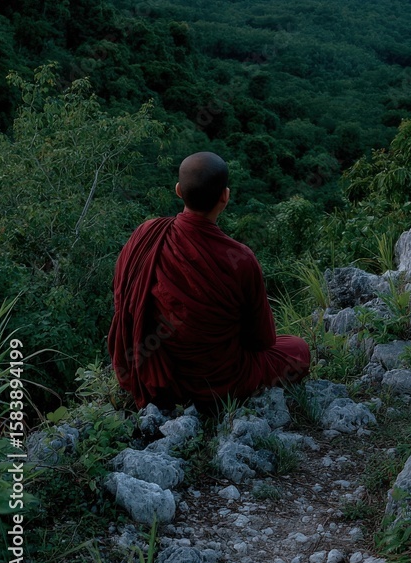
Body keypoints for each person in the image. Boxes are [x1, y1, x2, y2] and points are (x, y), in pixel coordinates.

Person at [108, 151, 310, 410]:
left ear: (178, 190)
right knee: (298, 349)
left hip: (154, 375)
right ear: (225, 196)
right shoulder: (241, 259)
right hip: (219, 380)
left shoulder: (145, 234)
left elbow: (122, 299)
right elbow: (262, 341)